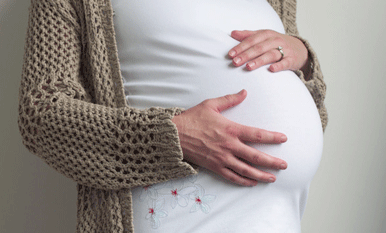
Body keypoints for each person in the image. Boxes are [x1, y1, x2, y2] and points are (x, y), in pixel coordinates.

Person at [17, 0, 327, 232]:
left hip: (276, 216)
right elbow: (40, 112)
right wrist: (169, 137)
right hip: (174, 210)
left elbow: (313, 110)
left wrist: (301, 55)